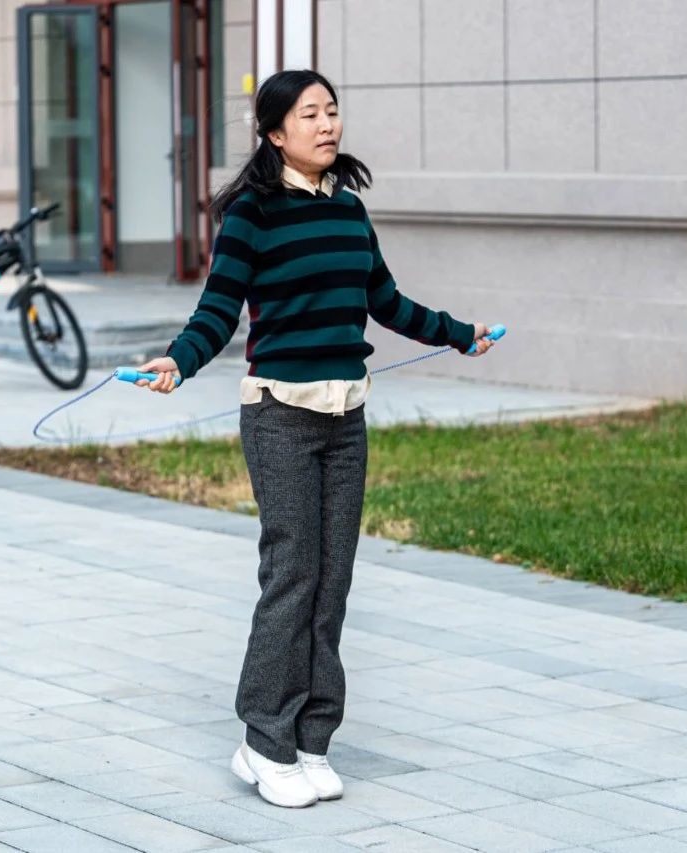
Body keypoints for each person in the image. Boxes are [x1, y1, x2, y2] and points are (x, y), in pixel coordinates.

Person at [135, 69, 495, 808]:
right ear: (275, 133)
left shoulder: (350, 210)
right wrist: (179, 359)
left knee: (333, 583)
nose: (328, 124)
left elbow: (385, 301)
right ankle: (263, 742)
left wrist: (460, 334)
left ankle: (312, 738)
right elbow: (218, 310)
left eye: (332, 111)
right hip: (281, 417)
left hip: (346, 420)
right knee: (293, 574)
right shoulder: (252, 215)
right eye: (310, 114)